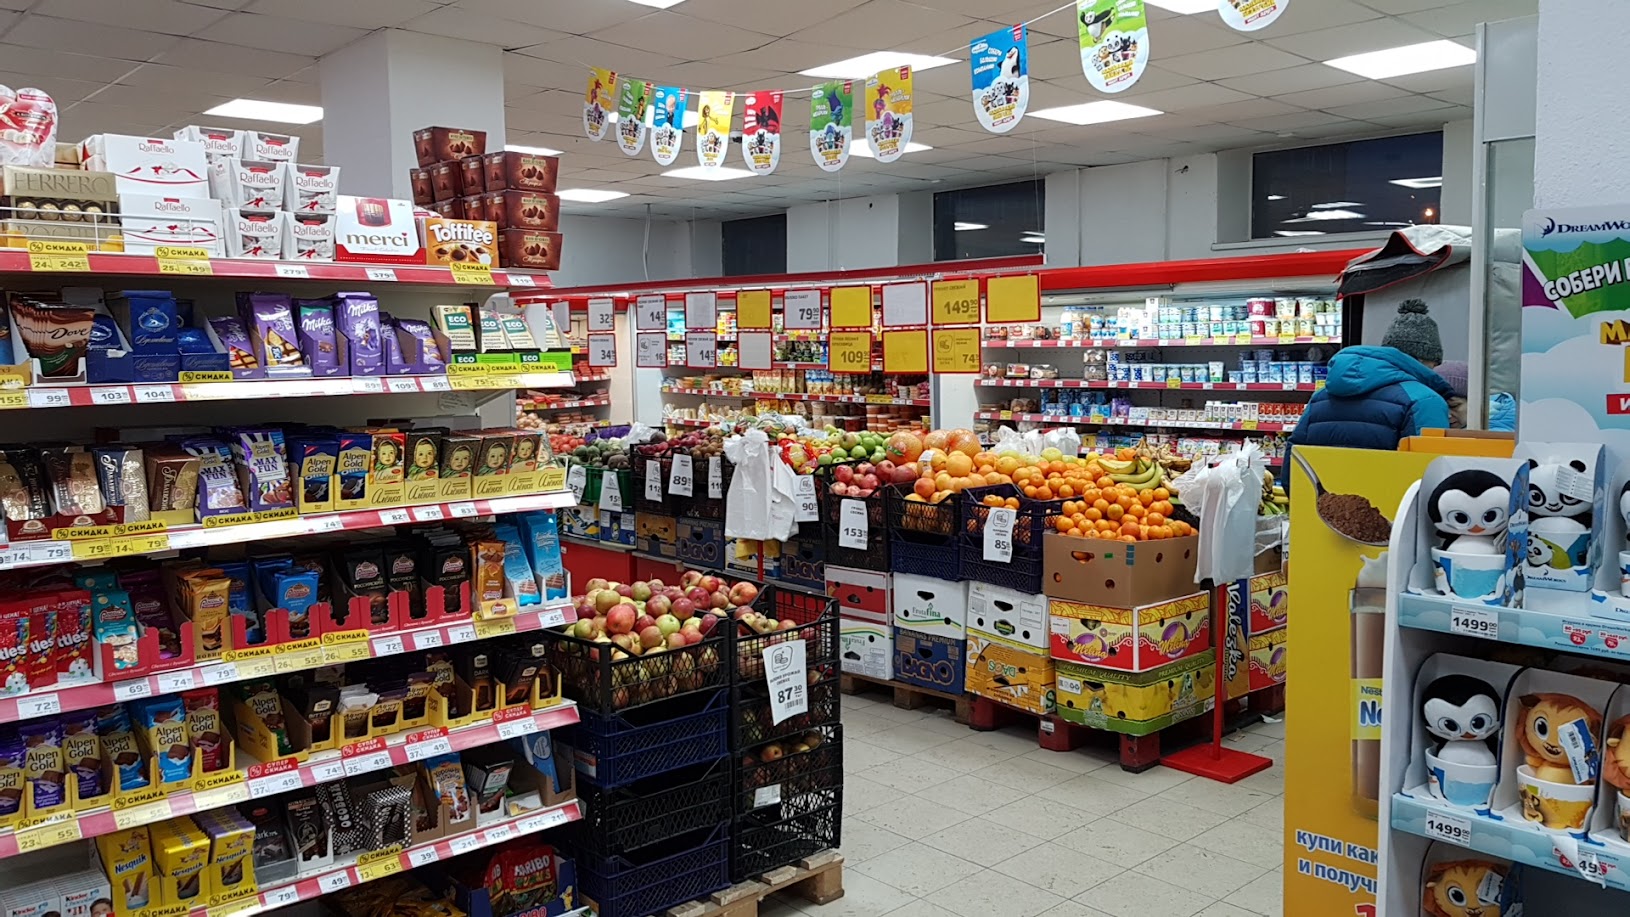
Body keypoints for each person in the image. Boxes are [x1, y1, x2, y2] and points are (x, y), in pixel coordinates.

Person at [1286, 299, 1452, 463]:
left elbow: (1294, 456)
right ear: (1423, 360)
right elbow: (1430, 468)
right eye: (1435, 363)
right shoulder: (1424, 401)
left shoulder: (1321, 397)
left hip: (1322, 482)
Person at [1437, 360, 1517, 431]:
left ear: (1477, 401)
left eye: (1454, 406)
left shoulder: (1500, 432)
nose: (1448, 415)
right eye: (1439, 408)